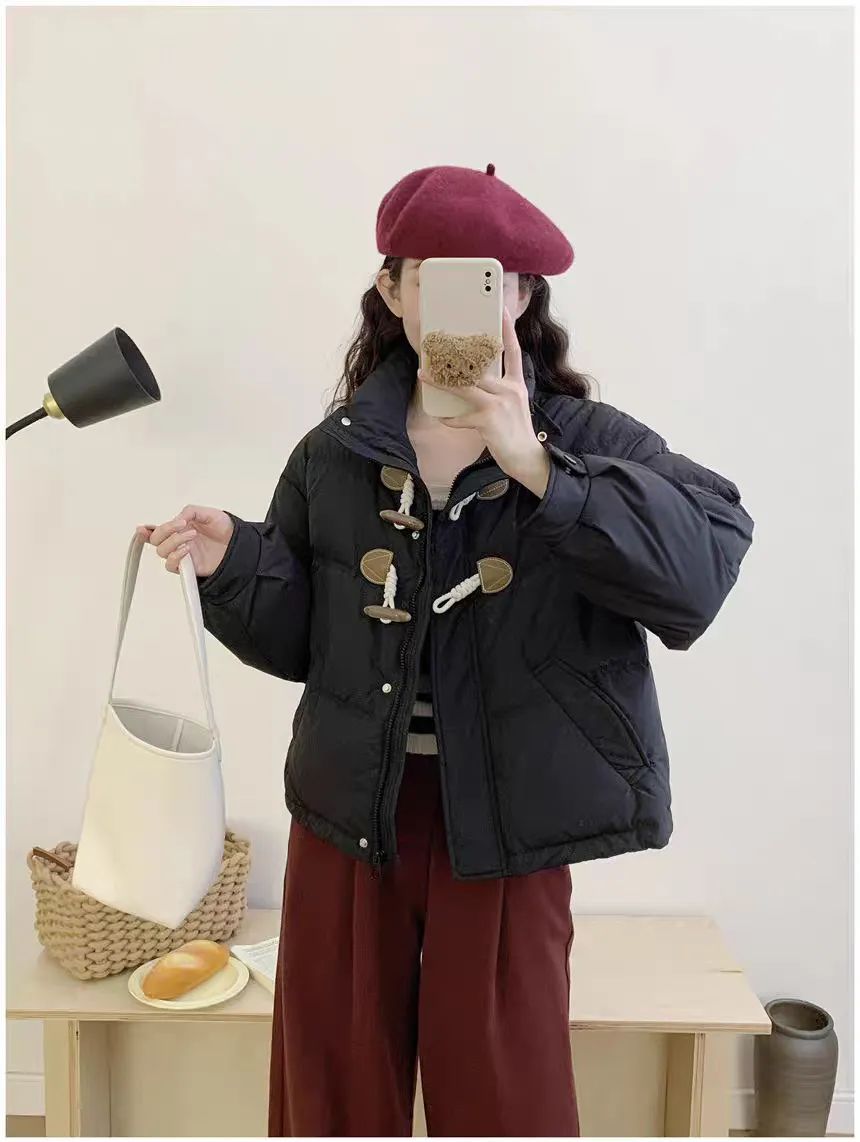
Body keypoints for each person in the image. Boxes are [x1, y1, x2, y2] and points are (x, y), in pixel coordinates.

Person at [139, 162, 754, 1137]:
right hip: (352, 814)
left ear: (522, 297)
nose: (472, 297)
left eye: (493, 278)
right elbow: (304, 640)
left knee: (504, 1098)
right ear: (392, 290)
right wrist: (236, 562)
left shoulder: (587, 439)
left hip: (510, 824)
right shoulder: (339, 449)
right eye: (437, 274)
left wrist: (539, 467)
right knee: (332, 1087)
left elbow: (700, 569)